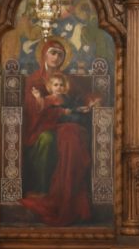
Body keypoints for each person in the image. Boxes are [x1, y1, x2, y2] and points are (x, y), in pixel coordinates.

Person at [20, 38, 97, 226]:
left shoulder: (66, 79)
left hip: (62, 125)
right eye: (53, 53)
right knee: (47, 139)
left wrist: (92, 101)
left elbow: (81, 96)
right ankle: (41, 191)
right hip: (40, 127)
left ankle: (68, 192)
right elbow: (32, 110)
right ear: (44, 55)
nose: (56, 57)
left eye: (60, 54)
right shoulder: (34, 80)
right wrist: (52, 106)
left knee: (73, 136)